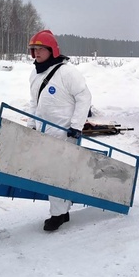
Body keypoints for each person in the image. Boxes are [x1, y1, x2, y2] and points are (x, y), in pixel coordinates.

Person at [27, 29, 92, 231]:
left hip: (64, 134)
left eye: (40, 49)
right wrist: (31, 124)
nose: (36, 53)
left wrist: (76, 126)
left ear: (52, 50)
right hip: (44, 133)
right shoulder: (35, 74)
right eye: (33, 50)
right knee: (53, 174)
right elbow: (34, 101)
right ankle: (62, 212)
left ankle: (57, 214)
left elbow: (84, 97)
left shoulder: (67, 72)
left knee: (55, 174)